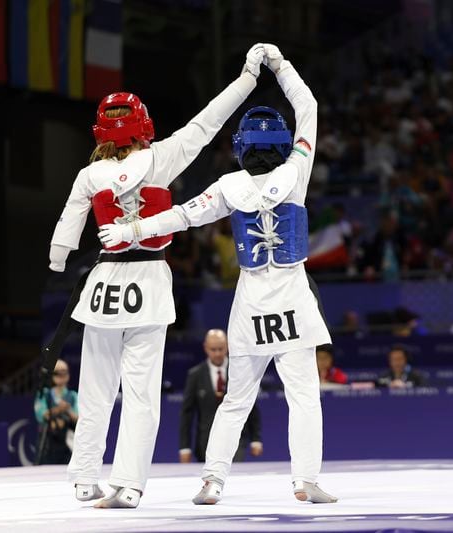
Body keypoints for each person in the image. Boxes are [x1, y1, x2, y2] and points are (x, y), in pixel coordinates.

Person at [98, 44, 337, 505]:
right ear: (283, 142)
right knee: (304, 394)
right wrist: (282, 66)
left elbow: (182, 216)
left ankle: (213, 481)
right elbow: (307, 106)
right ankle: (305, 480)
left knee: (237, 397)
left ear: (241, 145)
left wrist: (133, 228)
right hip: (292, 296)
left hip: (250, 302)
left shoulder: (228, 187)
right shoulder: (298, 169)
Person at [49, 45, 262, 508]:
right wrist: (247, 79)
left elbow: (69, 221)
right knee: (141, 392)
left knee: (96, 387)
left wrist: (58, 256)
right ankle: (129, 483)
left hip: (105, 284)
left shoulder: (91, 174)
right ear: (144, 125)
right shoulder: (163, 158)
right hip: (148, 283)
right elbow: (208, 124)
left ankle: (86, 478)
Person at [179, 329, 262, 464]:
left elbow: (251, 405)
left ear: (228, 346)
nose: (217, 353)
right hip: (205, 442)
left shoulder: (240, 373)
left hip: (236, 440)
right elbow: (186, 414)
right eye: (213, 349)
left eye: (220, 349)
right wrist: (184, 448)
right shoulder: (195, 375)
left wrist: (256, 439)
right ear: (205, 348)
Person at [34, 359, 78, 465]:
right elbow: (42, 415)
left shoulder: (72, 395)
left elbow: (78, 418)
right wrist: (59, 409)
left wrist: (67, 409)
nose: (61, 374)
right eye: (58, 371)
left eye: (64, 371)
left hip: (68, 445)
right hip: (48, 444)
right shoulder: (44, 394)